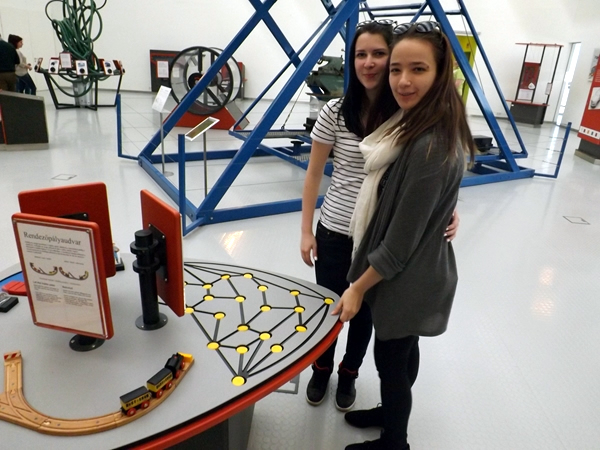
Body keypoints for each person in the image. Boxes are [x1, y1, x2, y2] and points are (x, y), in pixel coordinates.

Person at [300, 20, 459, 412]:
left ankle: (349, 373)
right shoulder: (336, 112)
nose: (368, 63)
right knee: (329, 308)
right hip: (335, 231)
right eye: (360, 55)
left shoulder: (407, 113)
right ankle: (321, 368)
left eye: (378, 54)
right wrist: (306, 230)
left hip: (377, 237)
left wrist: (450, 209)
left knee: (365, 315)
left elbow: (425, 178)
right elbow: (314, 173)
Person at [334, 21, 476, 450]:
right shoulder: (413, 123)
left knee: (391, 362)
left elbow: (399, 245)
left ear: (440, 73)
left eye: (418, 69)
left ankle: (395, 441)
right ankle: (389, 413)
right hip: (411, 271)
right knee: (401, 353)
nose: (402, 81)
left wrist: (357, 288)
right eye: (396, 69)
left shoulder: (430, 144)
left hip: (409, 277)